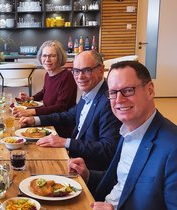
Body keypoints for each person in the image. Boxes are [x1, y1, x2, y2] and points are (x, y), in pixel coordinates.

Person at [68, 61, 177, 210]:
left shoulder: (172, 148)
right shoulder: (127, 131)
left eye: (128, 90)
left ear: (150, 90)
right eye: (113, 93)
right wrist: (87, 175)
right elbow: (123, 182)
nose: (119, 100)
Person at [19, 51, 121, 170]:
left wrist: (66, 142)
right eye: (76, 71)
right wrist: (34, 120)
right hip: (72, 156)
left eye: (87, 70)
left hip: (86, 168)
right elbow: (68, 116)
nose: (80, 76)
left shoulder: (109, 101)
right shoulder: (90, 92)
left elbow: (108, 149)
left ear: (100, 70)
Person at [13, 40, 77, 137]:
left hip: (60, 127)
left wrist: (31, 111)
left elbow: (60, 107)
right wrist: (30, 99)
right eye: (44, 55)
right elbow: (44, 92)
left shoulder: (67, 77)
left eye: (52, 56)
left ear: (59, 58)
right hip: (48, 120)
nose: (47, 59)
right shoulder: (48, 74)